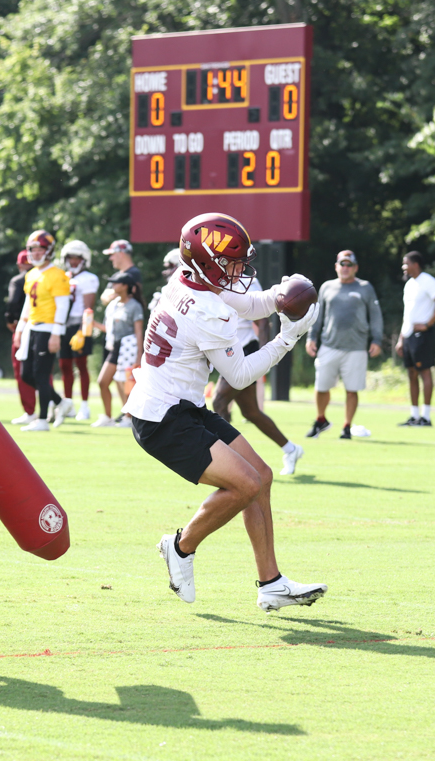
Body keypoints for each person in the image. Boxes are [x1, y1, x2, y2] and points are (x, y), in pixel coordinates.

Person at [122, 212, 325, 612]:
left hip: (182, 404)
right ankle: (180, 547)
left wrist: (280, 299)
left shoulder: (187, 279)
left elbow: (247, 302)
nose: (238, 270)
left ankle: (271, 584)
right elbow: (241, 373)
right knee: (246, 484)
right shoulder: (204, 310)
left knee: (262, 477)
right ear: (206, 262)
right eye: (231, 263)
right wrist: (288, 337)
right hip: (162, 418)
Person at [213, 274, 305, 474]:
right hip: (228, 348)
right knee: (251, 412)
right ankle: (291, 449)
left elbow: (263, 322)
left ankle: (229, 462)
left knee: (219, 401)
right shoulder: (217, 277)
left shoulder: (249, 281)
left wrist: (263, 357)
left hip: (245, 348)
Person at [304, 250, 384, 439]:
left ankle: (346, 426)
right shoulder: (326, 287)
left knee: (352, 389)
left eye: (349, 265)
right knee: (321, 386)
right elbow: (318, 314)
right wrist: (311, 337)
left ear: (355, 268)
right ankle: (321, 420)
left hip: (356, 347)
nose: (345, 268)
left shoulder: (365, 287)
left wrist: (377, 340)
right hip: (329, 345)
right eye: (342, 264)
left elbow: (375, 315)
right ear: (336, 266)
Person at [13, 230, 71, 431]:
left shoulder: (58, 275)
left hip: (49, 328)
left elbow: (62, 306)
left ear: (49, 251)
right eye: (32, 249)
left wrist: (56, 333)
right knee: (27, 375)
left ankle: (43, 420)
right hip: (32, 328)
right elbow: (28, 305)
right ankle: (60, 402)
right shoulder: (31, 274)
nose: (35, 253)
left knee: (41, 374)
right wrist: (20, 329)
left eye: (40, 249)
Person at [395, 251, 435, 426]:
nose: (404, 267)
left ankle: (426, 416)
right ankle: (414, 415)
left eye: (406, 263)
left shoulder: (428, 281)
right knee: (411, 373)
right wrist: (401, 338)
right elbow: (407, 314)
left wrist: (428, 324)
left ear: (415, 264)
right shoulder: (409, 284)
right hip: (409, 335)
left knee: (424, 372)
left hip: (422, 335)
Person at [91, 272, 144, 428]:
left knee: (125, 382)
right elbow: (109, 329)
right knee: (103, 381)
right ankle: (107, 416)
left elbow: (138, 331)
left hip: (129, 346)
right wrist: (92, 324)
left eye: (116, 283)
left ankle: (129, 417)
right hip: (114, 346)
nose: (113, 286)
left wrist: (139, 356)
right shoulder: (113, 304)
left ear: (125, 286)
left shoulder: (134, 305)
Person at [57, 240, 99, 423]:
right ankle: (68, 404)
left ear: (84, 259)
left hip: (79, 325)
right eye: (70, 258)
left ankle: (84, 405)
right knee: (64, 366)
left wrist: (84, 330)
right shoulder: (62, 276)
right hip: (63, 325)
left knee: (81, 365)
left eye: (76, 258)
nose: (73, 262)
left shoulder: (89, 278)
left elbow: (88, 308)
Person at [6, 250, 37, 425]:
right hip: (43, 327)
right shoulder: (43, 277)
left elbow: (12, 303)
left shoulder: (18, 280)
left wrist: (10, 321)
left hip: (23, 326)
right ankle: (50, 406)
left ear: (19, 265)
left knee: (21, 369)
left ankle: (30, 411)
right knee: (42, 370)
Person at [99, 239, 142, 306]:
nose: (110, 258)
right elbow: (104, 298)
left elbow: (132, 296)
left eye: (112, 254)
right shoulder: (115, 276)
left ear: (121, 254)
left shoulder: (134, 273)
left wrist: (114, 295)